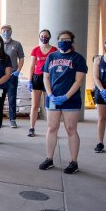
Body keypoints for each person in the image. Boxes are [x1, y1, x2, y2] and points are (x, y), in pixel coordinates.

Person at [39, 30, 88, 174]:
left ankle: (74, 162)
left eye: (67, 40)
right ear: (57, 41)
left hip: (71, 100)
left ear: (72, 42)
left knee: (71, 130)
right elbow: (46, 78)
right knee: (51, 128)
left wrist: (66, 96)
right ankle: (49, 159)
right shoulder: (51, 56)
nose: (63, 42)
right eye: (61, 39)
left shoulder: (77, 58)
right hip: (53, 99)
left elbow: (79, 80)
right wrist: (50, 94)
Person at [26, 30, 57, 137]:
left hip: (49, 78)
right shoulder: (35, 50)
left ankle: (51, 128)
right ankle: (31, 128)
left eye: (46, 36)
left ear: (50, 37)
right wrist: (30, 80)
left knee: (49, 105)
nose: (44, 37)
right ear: (39, 37)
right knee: (35, 105)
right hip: (37, 77)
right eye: (42, 36)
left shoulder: (54, 50)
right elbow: (32, 66)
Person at [0, 24, 25, 128]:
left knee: (11, 98)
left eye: (8, 30)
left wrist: (18, 71)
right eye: (4, 30)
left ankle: (12, 119)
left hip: (12, 76)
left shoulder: (17, 44)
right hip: (0, 77)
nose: (6, 32)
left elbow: (21, 58)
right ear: (1, 32)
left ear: (11, 31)